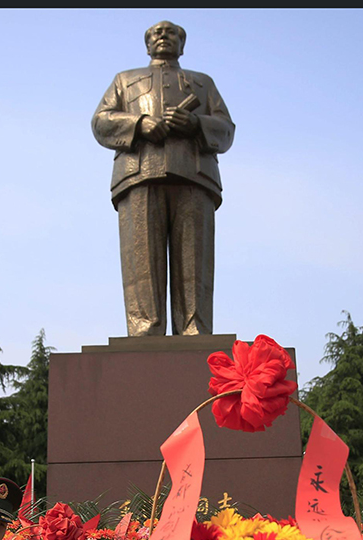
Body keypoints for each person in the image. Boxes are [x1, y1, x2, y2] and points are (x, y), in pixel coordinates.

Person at [92, 20, 235, 337]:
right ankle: (145, 332)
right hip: (139, 174)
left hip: (194, 176)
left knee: (194, 263)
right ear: (146, 44)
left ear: (182, 45)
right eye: (156, 32)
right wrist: (139, 124)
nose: (163, 36)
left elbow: (226, 130)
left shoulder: (203, 83)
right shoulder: (125, 80)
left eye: (171, 33)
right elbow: (101, 122)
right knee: (141, 260)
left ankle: (194, 329)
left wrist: (196, 124)